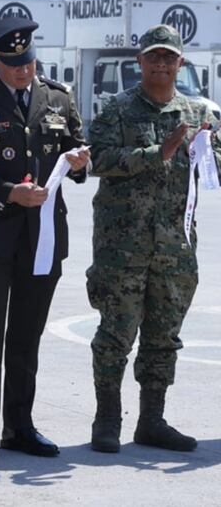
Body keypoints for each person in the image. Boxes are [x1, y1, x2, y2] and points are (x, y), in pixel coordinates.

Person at [0, 17, 90, 462]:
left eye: (27, 61)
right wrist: (11, 192)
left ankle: (20, 425)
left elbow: (80, 155)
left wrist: (82, 160)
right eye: (12, 64)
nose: (22, 71)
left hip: (44, 234)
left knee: (27, 333)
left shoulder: (58, 97)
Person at [86, 24, 219, 454]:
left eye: (169, 58)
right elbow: (98, 161)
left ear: (181, 63)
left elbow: (214, 171)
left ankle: (152, 420)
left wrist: (209, 151)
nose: (161, 64)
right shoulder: (117, 109)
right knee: (115, 334)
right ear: (139, 62)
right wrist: (155, 154)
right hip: (123, 247)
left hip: (175, 248)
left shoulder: (199, 114)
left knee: (164, 336)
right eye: (153, 57)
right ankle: (107, 418)